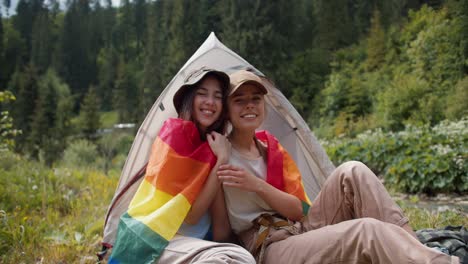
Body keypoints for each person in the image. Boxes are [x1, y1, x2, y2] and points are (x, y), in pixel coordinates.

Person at [216, 70, 460, 264]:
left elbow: (299, 210)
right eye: (239, 100)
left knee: (353, 170)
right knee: (366, 231)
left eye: (256, 99)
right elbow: (220, 231)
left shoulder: (271, 148)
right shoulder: (221, 154)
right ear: (226, 110)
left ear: (264, 105)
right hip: (269, 248)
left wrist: (256, 185)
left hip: (296, 228)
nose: (249, 105)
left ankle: (415, 249)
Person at [109, 67, 255, 264]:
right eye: (202, 94)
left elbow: (221, 230)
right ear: (190, 99)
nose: (210, 102)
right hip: (153, 238)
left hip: (187, 247)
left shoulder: (212, 149)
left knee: (238, 256)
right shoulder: (174, 135)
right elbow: (192, 216)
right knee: (234, 258)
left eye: (217, 96)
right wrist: (221, 160)